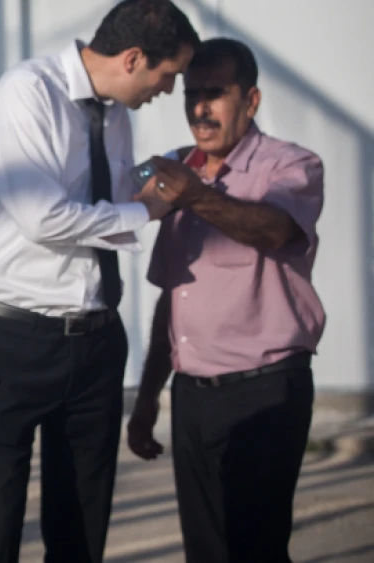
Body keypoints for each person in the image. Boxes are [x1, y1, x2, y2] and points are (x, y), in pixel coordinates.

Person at [0, 1, 201, 561]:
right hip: (13, 342)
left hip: (96, 342)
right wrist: (147, 214)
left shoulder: (114, 112)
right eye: (169, 76)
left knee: (82, 528)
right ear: (135, 58)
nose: (169, 91)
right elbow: (42, 216)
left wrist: (163, 167)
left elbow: (107, 191)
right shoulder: (27, 93)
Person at [126, 37, 325, 563]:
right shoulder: (177, 168)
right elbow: (174, 299)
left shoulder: (291, 165)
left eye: (215, 93)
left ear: (251, 100)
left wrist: (192, 194)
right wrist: (149, 399)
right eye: (191, 93)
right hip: (193, 398)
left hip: (265, 392)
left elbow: (274, 230)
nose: (199, 108)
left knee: (255, 547)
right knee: (206, 550)